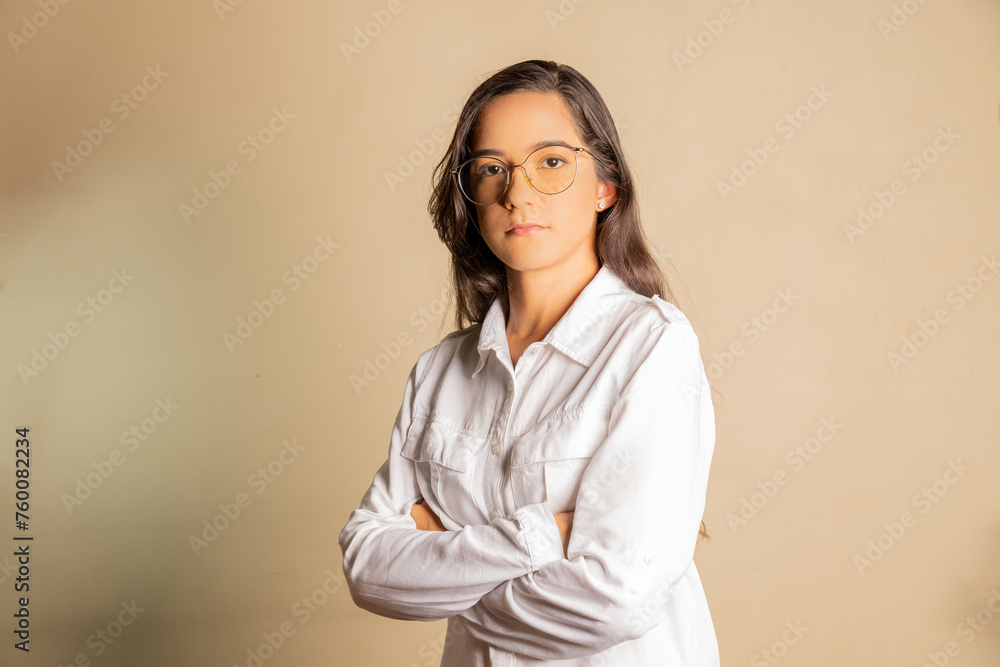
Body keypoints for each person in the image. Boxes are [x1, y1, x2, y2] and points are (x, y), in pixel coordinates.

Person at [338, 59, 720, 666]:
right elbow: (367, 567)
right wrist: (543, 535)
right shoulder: (439, 371)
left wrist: (446, 567)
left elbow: (616, 600)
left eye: (551, 162)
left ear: (606, 187)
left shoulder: (652, 346)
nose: (517, 193)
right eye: (492, 168)